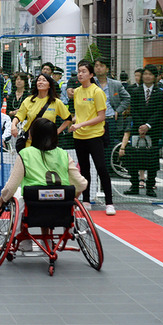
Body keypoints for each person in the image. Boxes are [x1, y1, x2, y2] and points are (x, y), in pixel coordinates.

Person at [0, 118, 88, 218]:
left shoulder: (25, 154)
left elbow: (11, 187)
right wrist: (72, 197)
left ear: (33, 134)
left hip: (34, 205)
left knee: (17, 192)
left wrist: (1, 201)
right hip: (61, 204)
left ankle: (17, 227)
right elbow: (81, 184)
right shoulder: (63, 154)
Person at [67, 60, 115, 215]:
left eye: (84, 71)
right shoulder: (77, 92)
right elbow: (79, 114)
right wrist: (74, 121)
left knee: (101, 167)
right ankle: (86, 200)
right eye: (79, 71)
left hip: (95, 135)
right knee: (84, 168)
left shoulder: (97, 92)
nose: (80, 74)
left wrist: (81, 124)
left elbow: (101, 117)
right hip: (78, 136)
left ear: (91, 75)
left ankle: (109, 203)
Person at [120, 64, 163, 197]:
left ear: (155, 77)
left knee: (152, 159)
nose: (147, 77)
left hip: (153, 130)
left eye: (150, 74)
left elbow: (159, 111)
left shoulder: (159, 93)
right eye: (145, 74)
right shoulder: (135, 91)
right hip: (137, 129)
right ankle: (134, 185)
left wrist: (148, 125)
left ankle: (150, 186)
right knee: (134, 157)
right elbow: (133, 110)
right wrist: (141, 125)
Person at [10, 73, 72, 150]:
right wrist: (13, 125)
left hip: (48, 142)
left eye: (44, 80)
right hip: (30, 143)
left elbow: (68, 119)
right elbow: (19, 117)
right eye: (39, 80)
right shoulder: (29, 100)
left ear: (49, 85)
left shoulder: (56, 102)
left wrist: (56, 132)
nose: (40, 82)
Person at [93, 58, 131, 169]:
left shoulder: (116, 84)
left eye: (101, 66)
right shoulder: (90, 83)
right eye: (96, 65)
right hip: (93, 120)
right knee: (94, 145)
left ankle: (106, 170)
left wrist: (118, 110)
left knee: (108, 146)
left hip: (110, 119)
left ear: (107, 69)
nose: (98, 68)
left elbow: (127, 98)